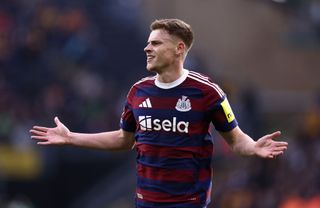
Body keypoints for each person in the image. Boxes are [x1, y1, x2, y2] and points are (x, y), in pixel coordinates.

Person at [30, 19, 288, 208]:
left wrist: (253, 146)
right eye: (147, 42)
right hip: (145, 200)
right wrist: (71, 137)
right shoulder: (138, 92)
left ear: (179, 49)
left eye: (156, 43)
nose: (147, 48)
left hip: (188, 202)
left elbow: (236, 140)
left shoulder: (207, 92)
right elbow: (124, 139)